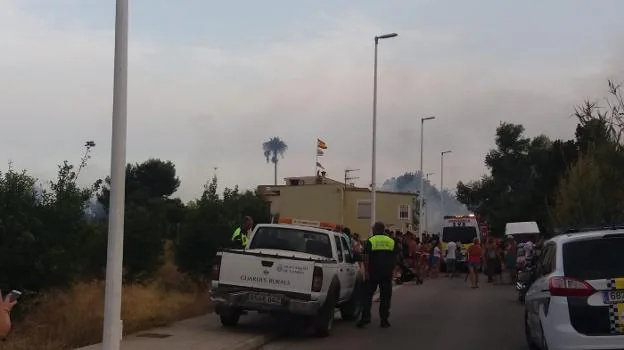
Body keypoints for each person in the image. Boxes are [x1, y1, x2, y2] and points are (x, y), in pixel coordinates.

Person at [357, 222, 399, 329]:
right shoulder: (391, 241)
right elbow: (395, 257)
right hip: (386, 273)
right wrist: (393, 270)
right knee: (385, 297)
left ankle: (366, 317)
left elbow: (366, 257)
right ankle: (384, 320)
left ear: (375, 229)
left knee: (366, 295)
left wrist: (366, 271)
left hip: (373, 272)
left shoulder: (370, 241)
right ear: (384, 229)